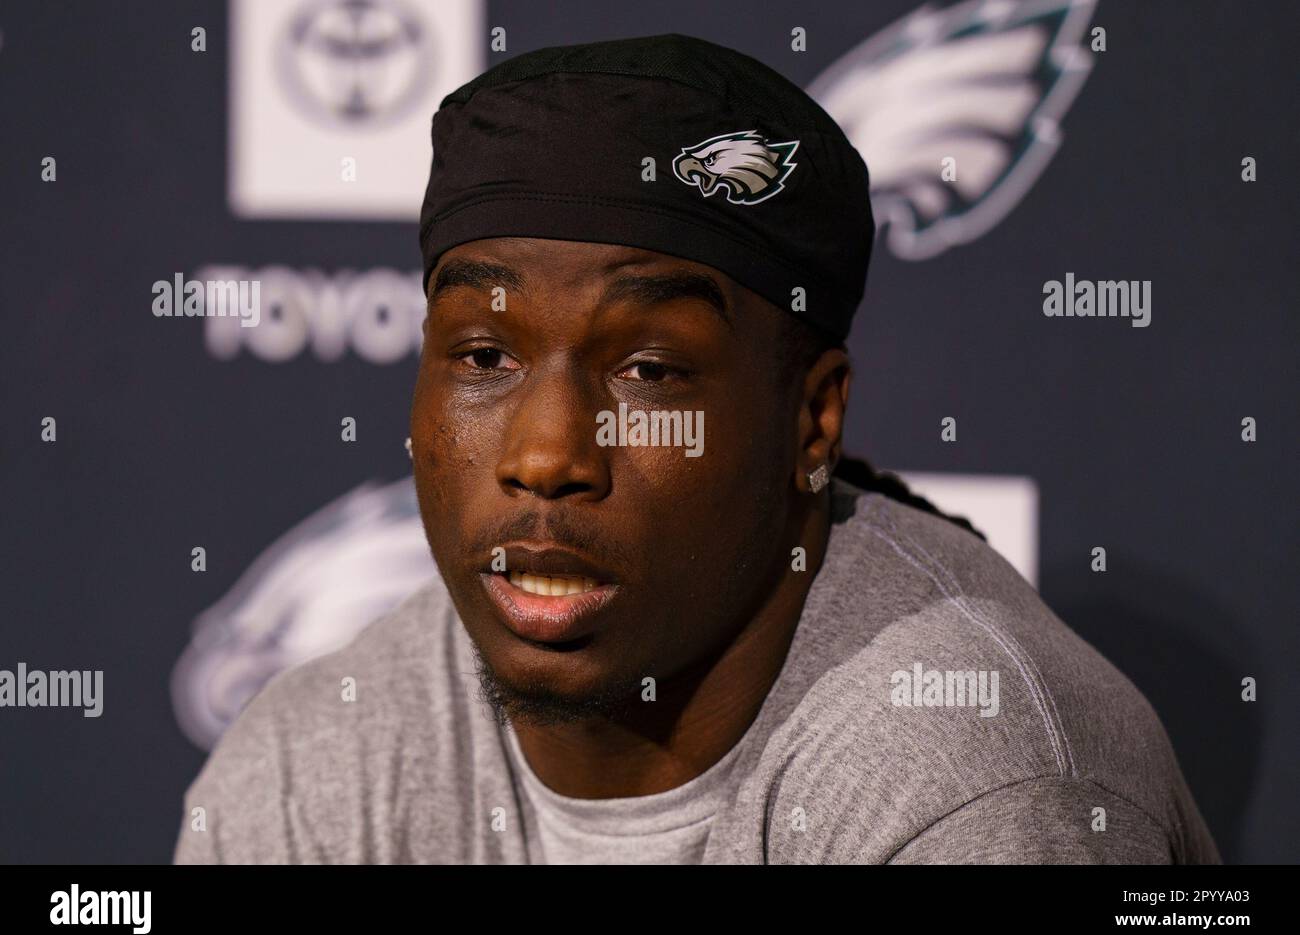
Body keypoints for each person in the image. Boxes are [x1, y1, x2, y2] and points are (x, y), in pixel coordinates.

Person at [174, 33, 1219, 864]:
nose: (545, 457)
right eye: (485, 354)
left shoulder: (966, 774)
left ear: (810, 423)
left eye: (650, 372)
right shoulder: (315, 759)